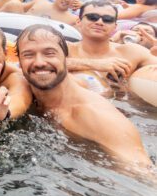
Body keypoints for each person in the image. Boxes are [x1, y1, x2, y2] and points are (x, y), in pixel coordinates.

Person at [15, 24, 151, 168]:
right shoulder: (21, 89)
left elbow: (144, 175)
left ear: (66, 58)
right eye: (28, 55)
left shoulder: (96, 116)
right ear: (19, 61)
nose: (39, 62)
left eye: (49, 53)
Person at [67, 1, 157, 86]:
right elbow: (54, 63)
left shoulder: (132, 52)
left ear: (115, 27)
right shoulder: (65, 48)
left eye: (107, 19)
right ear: (79, 22)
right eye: (92, 17)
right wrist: (94, 64)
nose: (99, 22)